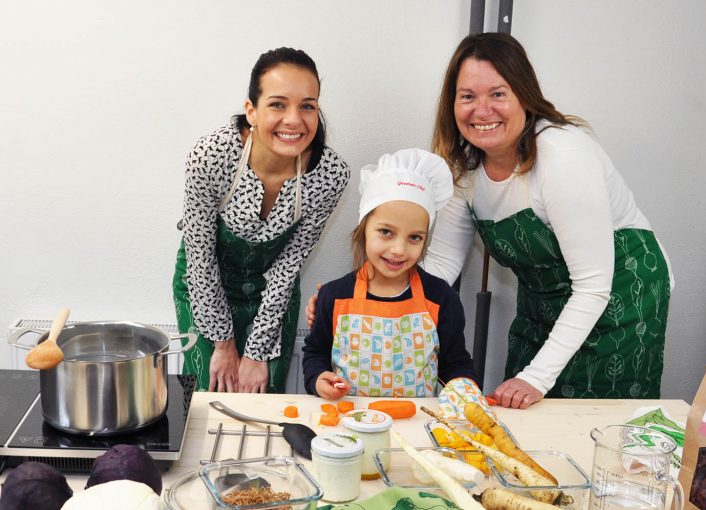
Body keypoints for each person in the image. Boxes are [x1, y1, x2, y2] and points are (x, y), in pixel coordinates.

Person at [423, 32, 673, 408]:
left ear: (524, 94)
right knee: (524, 423)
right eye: (468, 96)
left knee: (594, 430)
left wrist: (535, 378)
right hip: (542, 306)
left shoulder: (562, 155)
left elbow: (592, 285)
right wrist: (361, 297)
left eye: (498, 94)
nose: (482, 110)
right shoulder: (465, 169)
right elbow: (441, 266)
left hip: (621, 297)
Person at [173, 47, 350, 393]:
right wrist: (223, 345)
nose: (294, 120)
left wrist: (256, 353)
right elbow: (200, 258)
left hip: (272, 295)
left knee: (263, 405)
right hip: (205, 286)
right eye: (278, 104)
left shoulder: (330, 174)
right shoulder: (211, 155)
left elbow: (288, 266)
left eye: (307, 106)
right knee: (208, 400)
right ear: (251, 111)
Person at [302, 148, 478, 400]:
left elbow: (455, 363)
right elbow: (315, 354)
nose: (398, 250)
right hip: (350, 422)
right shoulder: (335, 296)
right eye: (386, 232)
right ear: (363, 229)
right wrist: (318, 379)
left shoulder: (441, 298)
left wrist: (464, 389)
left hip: (418, 425)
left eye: (414, 237)